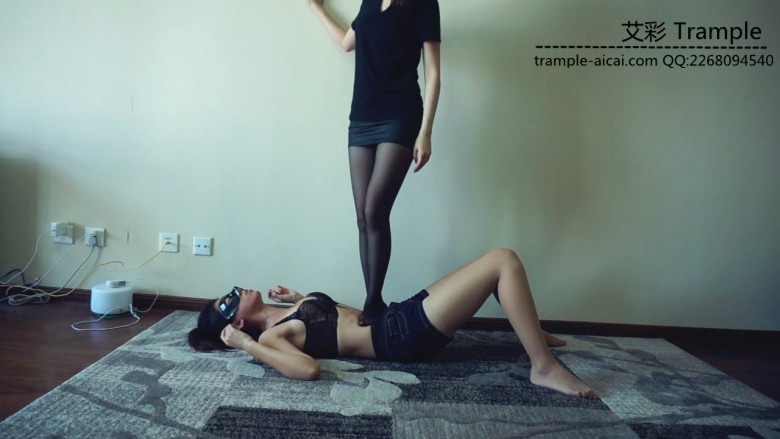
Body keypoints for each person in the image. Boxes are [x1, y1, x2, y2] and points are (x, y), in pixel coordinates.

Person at [188, 248, 596, 398]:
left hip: (394, 317)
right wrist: (246, 345)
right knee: (502, 262)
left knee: (487, 270)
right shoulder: (271, 336)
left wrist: (299, 299)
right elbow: (307, 369)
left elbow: (340, 320)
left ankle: (530, 333)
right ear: (236, 321)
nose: (237, 290)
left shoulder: (284, 312)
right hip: (398, 338)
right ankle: (543, 368)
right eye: (229, 300)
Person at [308, 0, 442, 326]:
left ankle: (372, 301)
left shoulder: (423, 4)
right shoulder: (369, 3)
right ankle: (374, 302)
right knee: (362, 217)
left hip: (400, 115)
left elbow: (434, 73)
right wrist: (318, 8)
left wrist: (425, 132)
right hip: (361, 118)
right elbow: (347, 43)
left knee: (374, 211)